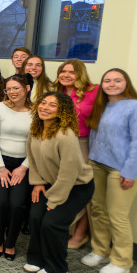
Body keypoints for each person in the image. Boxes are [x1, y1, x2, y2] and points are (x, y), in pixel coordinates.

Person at [82, 69, 137, 273]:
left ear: (126, 83)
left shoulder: (136, 107)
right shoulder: (102, 105)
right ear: (102, 84)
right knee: (97, 210)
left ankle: (122, 261)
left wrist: (130, 172)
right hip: (97, 164)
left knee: (117, 216)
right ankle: (100, 251)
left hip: (121, 169)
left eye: (117, 80)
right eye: (107, 80)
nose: (112, 84)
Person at [23, 92, 95, 273]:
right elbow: (33, 159)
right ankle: (36, 259)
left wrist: (55, 199)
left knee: (53, 223)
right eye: (43, 103)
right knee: (36, 216)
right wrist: (37, 182)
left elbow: (69, 172)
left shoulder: (65, 134)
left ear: (62, 111)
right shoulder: (35, 131)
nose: (45, 107)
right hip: (50, 183)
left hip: (77, 186)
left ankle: (58, 267)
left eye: (52, 105)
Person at [53, 58, 99, 249]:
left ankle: (80, 234)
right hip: (58, 143)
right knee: (62, 186)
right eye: (63, 71)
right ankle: (64, 229)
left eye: (71, 72)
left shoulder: (94, 91)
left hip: (82, 144)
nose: (66, 75)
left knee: (82, 189)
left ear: (80, 74)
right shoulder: (56, 92)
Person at [0, 75, 32, 261]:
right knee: (0, 202)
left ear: (27, 88)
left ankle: (11, 243)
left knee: (17, 204)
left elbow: (38, 142)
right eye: (8, 89)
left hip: (24, 164)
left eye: (16, 88)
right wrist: (0, 167)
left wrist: (24, 167)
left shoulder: (37, 111)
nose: (12, 92)